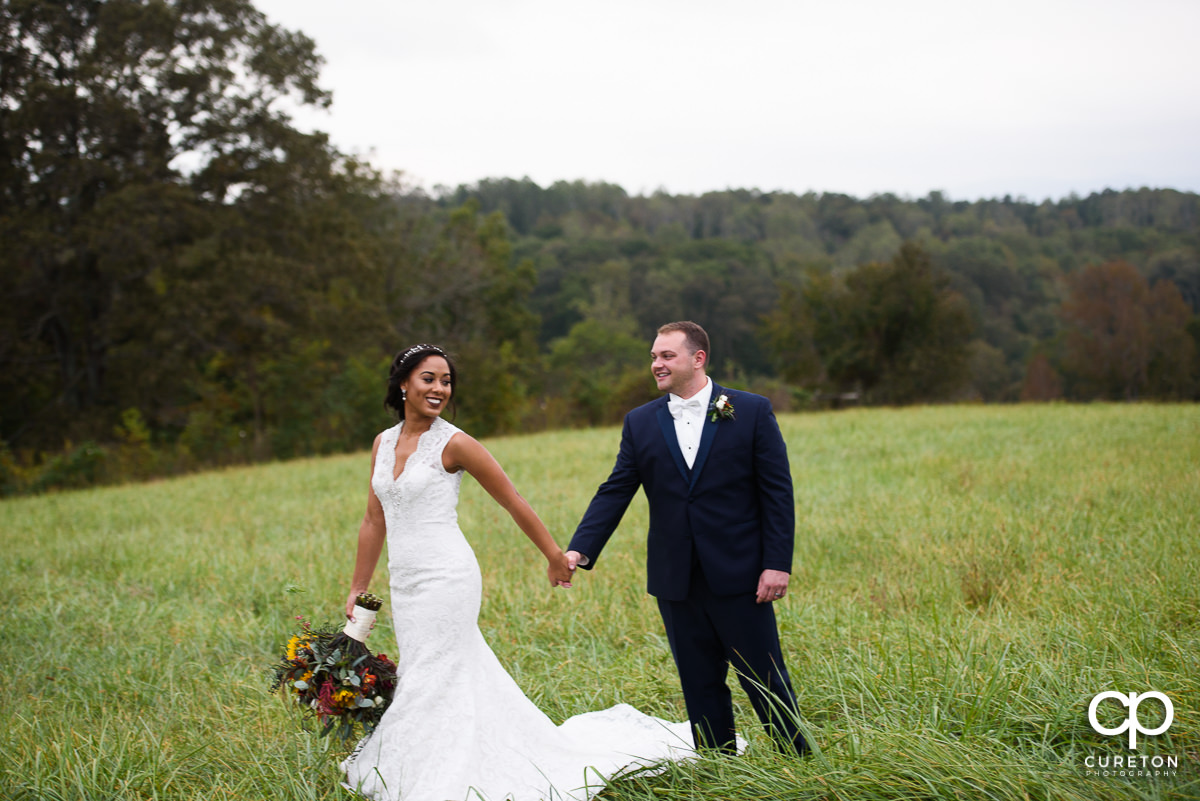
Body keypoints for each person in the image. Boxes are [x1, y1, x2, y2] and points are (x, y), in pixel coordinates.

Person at [340, 343, 694, 801]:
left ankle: (436, 776)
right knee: (429, 670)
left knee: (431, 672)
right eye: (429, 378)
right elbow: (374, 519)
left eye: (446, 381)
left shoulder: (455, 442)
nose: (439, 389)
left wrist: (554, 556)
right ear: (404, 383)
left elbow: (513, 500)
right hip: (403, 581)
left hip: (448, 577)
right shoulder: (382, 443)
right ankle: (427, 758)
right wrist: (358, 586)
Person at [566, 321, 809, 756]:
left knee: (765, 676)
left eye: (666, 356)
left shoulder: (751, 411)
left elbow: (777, 492)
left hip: (741, 572)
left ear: (698, 359)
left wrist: (778, 562)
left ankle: (799, 759)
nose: (656, 364)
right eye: (654, 357)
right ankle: (718, 765)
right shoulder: (640, 422)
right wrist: (580, 548)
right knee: (698, 680)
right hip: (675, 577)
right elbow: (617, 489)